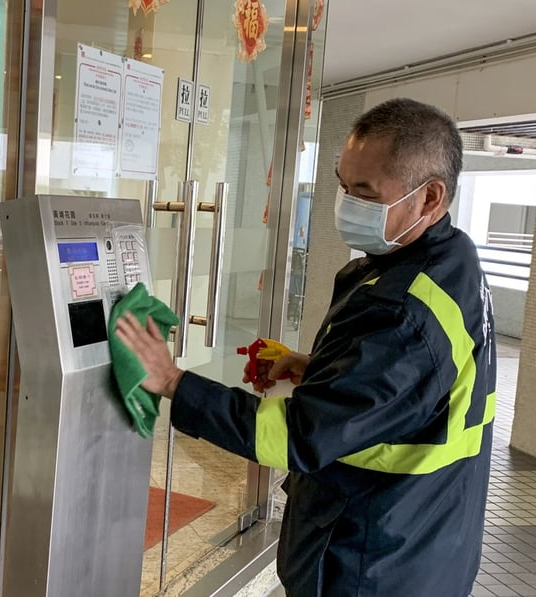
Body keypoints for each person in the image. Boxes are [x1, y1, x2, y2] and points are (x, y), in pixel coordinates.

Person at [115, 98, 496, 597]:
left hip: (373, 562)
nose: (346, 204)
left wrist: (172, 382)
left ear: (430, 198)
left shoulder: (404, 309)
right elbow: (419, 385)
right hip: (426, 539)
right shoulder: (452, 260)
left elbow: (300, 437)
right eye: (342, 186)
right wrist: (322, 368)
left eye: (364, 192)